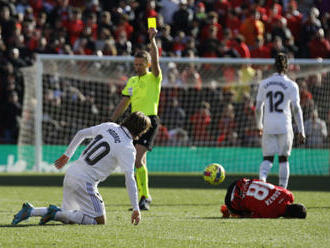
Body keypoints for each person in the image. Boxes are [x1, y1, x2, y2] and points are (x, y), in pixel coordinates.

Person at [11, 112, 151, 225]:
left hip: (71, 173)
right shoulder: (128, 148)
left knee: (68, 217)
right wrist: (136, 208)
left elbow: (81, 133)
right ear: (141, 131)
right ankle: (53, 213)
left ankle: (31, 211)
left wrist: (67, 155)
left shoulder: (109, 126)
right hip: (85, 183)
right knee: (99, 221)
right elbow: (130, 179)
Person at [110, 28, 162, 210]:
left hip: (149, 120)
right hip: (133, 122)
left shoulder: (154, 78)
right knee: (139, 161)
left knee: (137, 160)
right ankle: (143, 196)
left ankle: (145, 197)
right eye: (136, 64)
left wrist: (153, 40)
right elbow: (123, 103)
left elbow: (156, 61)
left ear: (147, 64)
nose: (138, 67)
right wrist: (111, 121)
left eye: (141, 64)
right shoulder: (132, 81)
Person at [255, 53, 305, 189]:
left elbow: (258, 108)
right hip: (284, 125)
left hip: (269, 125)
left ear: (273, 66)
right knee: (283, 159)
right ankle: (282, 188)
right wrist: (301, 130)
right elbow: (296, 108)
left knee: (267, 158)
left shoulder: (264, 84)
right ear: (287, 67)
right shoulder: (291, 85)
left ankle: (262, 184)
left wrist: (259, 125)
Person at [220, 178, 307, 218]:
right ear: (289, 217)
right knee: (246, 213)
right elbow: (251, 216)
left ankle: (230, 210)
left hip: (239, 182)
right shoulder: (271, 214)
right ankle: (228, 210)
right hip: (231, 201)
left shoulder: (288, 194)